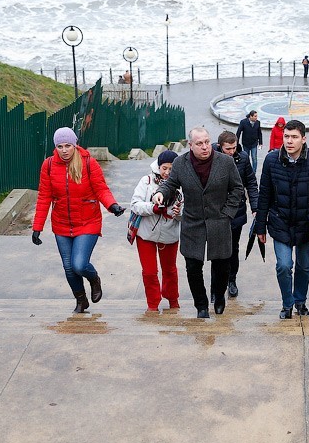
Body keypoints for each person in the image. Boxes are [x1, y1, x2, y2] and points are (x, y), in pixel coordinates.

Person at [153, 127, 244, 319]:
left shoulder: (225, 162)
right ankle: (201, 305)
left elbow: (237, 189)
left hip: (219, 221)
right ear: (191, 145)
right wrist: (160, 193)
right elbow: (171, 184)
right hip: (192, 222)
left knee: (221, 265)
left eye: (206, 142)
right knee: (193, 267)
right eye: (199, 144)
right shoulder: (180, 163)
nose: (205, 147)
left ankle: (219, 297)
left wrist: (227, 214)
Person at [32, 127, 125, 313]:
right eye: (60, 146)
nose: (64, 150)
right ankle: (81, 300)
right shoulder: (48, 165)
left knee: (79, 264)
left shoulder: (89, 163)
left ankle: (94, 279)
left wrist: (112, 205)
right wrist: (37, 227)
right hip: (61, 224)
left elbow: (101, 189)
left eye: (68, 145)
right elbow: (44, 197)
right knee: (68, 268)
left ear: (75, 145)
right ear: (55, 147)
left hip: (87, 221)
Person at [256, 120, 309, 319]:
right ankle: (287, 304)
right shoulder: (272, 160)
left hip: (306, 225)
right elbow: (264, 194)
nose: (289, 141)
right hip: (280, 222)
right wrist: (260, 227)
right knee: (283, 265)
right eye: (286, 137)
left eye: (294, 137)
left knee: (304, 266)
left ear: (304, 139)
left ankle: (300, 300)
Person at [129, 150, 183, 312]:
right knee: (149, 271)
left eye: (171, 169)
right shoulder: (146, 181)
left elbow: (186, 213)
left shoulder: (183, 184)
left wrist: (178, 212)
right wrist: (153, 208)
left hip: (169, 234)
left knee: (170, 270)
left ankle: (173, 300)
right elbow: (135, 205)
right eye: (164, 168)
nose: (167, 172)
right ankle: (152, 304)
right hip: (145, 234)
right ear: (158, 166)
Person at [215, 131, 259, 299]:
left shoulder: (242, 157)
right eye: (228, 149)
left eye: (234, 148)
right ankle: (217, 284)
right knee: (218, 250)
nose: (231, 151)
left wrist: (255, 207)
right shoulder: (211, 157)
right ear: (220, 147)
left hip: (237, 213)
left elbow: (251, 183)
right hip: (216, 213)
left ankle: (231, 280)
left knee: (233, 249)